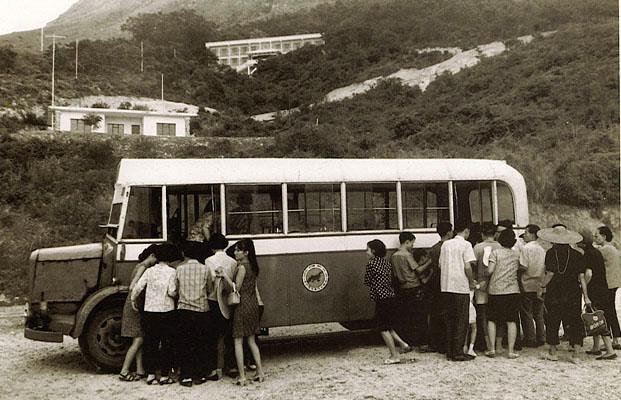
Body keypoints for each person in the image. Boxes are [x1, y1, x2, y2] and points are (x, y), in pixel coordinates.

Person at [131, 243, 182, 385]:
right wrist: (176, 295)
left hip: (150, 311)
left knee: (150, 343)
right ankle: (165, 375)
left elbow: (138, 287)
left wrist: (133, 301)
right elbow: (172, 291)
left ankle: (151, 375)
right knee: (166, 343)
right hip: (167, 311)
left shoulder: (149, 271)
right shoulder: (172, 272)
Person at [538, 225, 591, 362]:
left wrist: (542, 286)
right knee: (575, 320)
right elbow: (582, 277)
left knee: (553, 320)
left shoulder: (550, 253)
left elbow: (549, 274)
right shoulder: (578, 254)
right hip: (573, 291)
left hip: (555, 291)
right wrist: (586, 296)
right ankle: (576, 353)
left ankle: (553, 352)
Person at [220, 239, 265, 385]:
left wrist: (224, 275)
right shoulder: (253, 266)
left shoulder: (241, 268)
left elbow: (236, 288)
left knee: (238, 341)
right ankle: (260, 372)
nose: (235, 252)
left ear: (246, 253)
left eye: (238, 250)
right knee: (251, 340)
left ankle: (242, 376)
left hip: (241, 306)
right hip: (252, 304)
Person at [172, 242, 215, 387]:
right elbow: (210, 289)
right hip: (202, 311)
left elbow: (175, 290)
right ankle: (200, 375)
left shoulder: (179, 269)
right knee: (200, 344)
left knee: (185, 344)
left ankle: (186, 376)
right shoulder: (205, 269)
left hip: (184, 310)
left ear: (185, 254)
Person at [364, 239, 411, 364]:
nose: (366, 252)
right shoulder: (386, 263)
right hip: (390, 296)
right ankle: (403, 344)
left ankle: (394, 355)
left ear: (373, 251)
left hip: (381, 298)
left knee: (382, 328)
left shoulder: (371, 264)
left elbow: (367, 281)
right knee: (387, 325)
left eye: (367, 249)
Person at [119, 244, 159, 382]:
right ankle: (124, 371)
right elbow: (133, 286)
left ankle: (139, 369)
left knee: (138, 337)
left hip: (133, 304)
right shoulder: (143, 267)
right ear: (152, 256)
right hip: (134, 305)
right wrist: (136, 300)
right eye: (156, 258)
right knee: (138, 339)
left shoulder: (139, 265)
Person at [439, 222, 476, 361]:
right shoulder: (466, 245)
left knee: (450, 320)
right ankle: (458, 351)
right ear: (466, 230)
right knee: (461, 320)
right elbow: (468, 266)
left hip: (446, 286)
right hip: (460, 286)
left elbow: (440, 264)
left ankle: (449, 350)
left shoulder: (446, 244)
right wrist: (471, 281)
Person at [204, 233, 238, 380]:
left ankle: (215, 368)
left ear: (211, 246)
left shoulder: (208, 260)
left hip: (214, 299)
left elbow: (210, 281)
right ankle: (231, 366)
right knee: (229, 334)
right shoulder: (232, 261)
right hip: (228, 299)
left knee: (213, 335)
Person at [579, 230, 617, 360]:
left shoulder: (587, 255)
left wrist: (584, 288)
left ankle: (610, 350)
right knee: (595, 316)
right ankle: (596, 347)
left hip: (594, 290)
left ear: (582, 242)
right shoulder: (597, 252)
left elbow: (588, 274)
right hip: (603, 287)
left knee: (598, 319)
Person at [390, 232, 431, 348]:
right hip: (413, 286)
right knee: (419, 315)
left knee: (406, 315)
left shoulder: (394, 256)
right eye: (412, 243)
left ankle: (408, 340)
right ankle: (421, 342)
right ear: (407, 242)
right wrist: (429, 262)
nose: (413, 246)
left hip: (402, 288)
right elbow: (418, 270)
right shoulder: (407, 255)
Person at [486, 229, 521, 359]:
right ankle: (511, 351)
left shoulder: (495, 253)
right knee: (511, 321)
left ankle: (492, 349)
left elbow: (490, 271)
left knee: (492, 320)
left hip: (496, 289)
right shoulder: (517, 254)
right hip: (512, 290)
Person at [472, 223, 501, 352]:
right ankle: (498, 344)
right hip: (497, 284)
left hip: (481, 283)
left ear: (482, 234)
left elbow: (472, 265)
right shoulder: (500, 246)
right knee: (496, 315)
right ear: (495, 234)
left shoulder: (477, 247)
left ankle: (487, 343)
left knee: (482, 315)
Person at [427, 221, 453, 353]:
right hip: (448, 283)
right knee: (448, 315)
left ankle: (436, 343)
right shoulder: (450, 247)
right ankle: (447, 343)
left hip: (436, 283)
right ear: (449, 232)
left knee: (436, 314)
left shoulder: (433, 248)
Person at [518, 224, 547, 347]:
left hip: (527, 283)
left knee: (527, 313)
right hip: (539, 284)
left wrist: (518, 273)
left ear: (532, 234)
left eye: (526, 232)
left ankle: (530, 338)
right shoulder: (542, 249)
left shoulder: (526, 248)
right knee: (538, 313)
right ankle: (541, 337)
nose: (524, 235)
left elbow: (523, 266)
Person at [593, 225, 621, 350]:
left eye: (596, 235)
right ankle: (615, 338)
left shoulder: (603, 250)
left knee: (607, 312)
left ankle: (613, 339)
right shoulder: (613, 249)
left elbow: (592, 255)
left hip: (607, 285)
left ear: (603, 237)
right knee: (611, 311)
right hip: (614, 283)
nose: (594, 238)